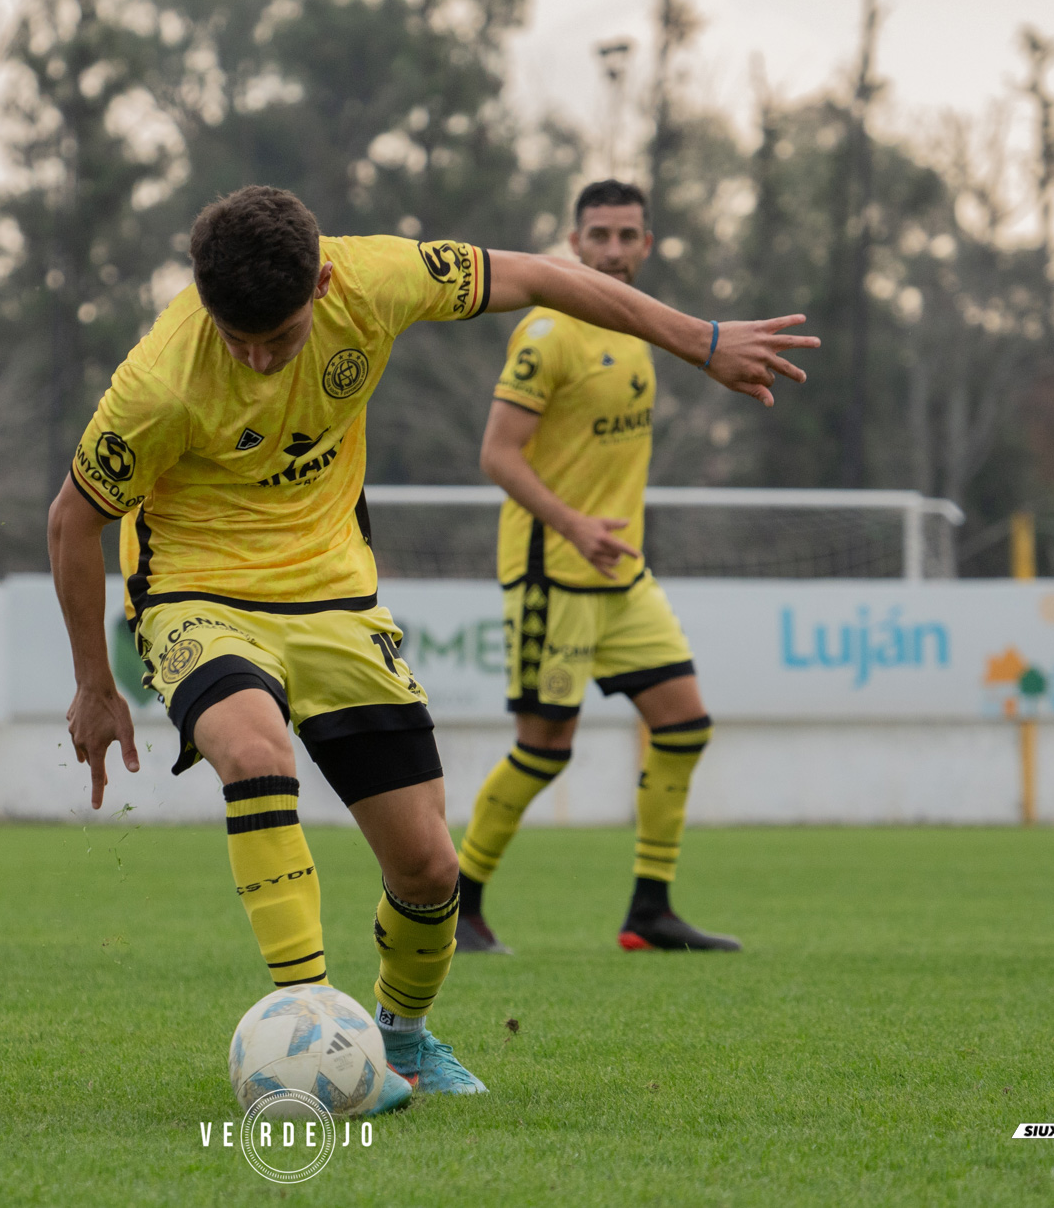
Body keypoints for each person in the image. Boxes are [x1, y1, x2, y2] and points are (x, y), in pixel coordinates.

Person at [49, 185, 814, 1107]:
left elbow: (537, 275)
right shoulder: (160, 379)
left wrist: (700, 338)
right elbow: (71, 521)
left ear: (323, 283)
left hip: (335, 595)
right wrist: (95, 684)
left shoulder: (377, 278)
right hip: (198, 594)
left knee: (428, 868)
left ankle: (401, 1043)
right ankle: (312, 1029)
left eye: (278, 338)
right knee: (255, 752)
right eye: (235, 337)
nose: (254, 359)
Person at [455, 180, 743, 957]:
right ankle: (457, 902)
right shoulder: (547, 332)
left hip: (622, 573)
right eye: (600, 236)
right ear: (574, 242)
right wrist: (574, 523)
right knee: (545, 747)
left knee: (683, 725)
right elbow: (497, 453)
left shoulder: (638, 329)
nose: (614, 250)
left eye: (627, 236)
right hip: (555, 570)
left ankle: (649, 910)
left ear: (648, 244)